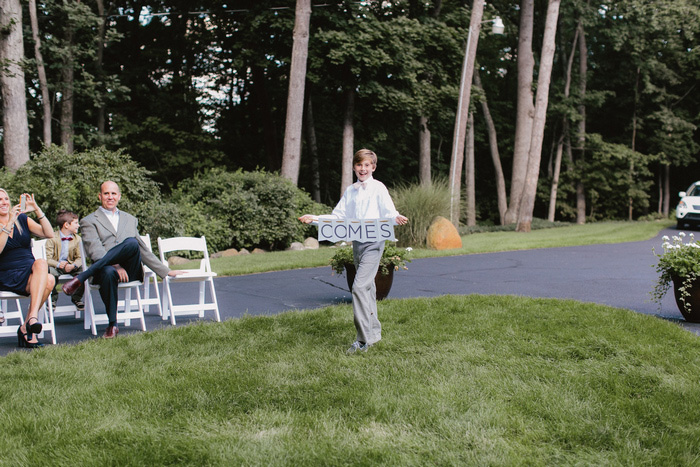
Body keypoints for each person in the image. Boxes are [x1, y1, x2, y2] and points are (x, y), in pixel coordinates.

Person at [299, 149, 408, 354]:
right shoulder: (351, 191)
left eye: (367, 165)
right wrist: (314, 218)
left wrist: (396, 218)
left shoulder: (379, 188)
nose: (363, 169)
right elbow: (338, 216)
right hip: (358, 244)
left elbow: (388, 211)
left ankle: (362, 339)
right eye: (359, 165)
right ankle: (374, 332)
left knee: (358, 288)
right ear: (354, 167)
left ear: (373, 167)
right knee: (368, 289)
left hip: (375, 243)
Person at [61, 181, 185, 338]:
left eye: (113, 193)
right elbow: (95, 250)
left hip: (130, 269)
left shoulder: (130, 219)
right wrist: (115, 266)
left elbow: (142, 249)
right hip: (104, 271)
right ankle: (112, 325)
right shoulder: (89, 221)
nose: (110, 197)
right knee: (107, 272)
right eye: (106, 193)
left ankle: (81, 278)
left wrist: (166, 271)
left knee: (132, 242)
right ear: (100, 196)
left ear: (119, 197)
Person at [0, 189, 56, 348]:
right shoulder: (11, 221)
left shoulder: (22, 219)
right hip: (6, 274)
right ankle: (27, 327)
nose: (4, 202)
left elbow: (49, 233)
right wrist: (9, 223)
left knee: (42, 265)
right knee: (49, 280)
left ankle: (30, 320)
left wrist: (37, 209)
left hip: (29, 270)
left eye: (6, 198)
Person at [46, 209, 85, 311]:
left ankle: (77, 298)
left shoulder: (77, 239)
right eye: (76, 223)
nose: (78, 225)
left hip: (71, 266)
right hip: (56, 266)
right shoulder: (52, 237)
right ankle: (52, 299)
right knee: (50, 273)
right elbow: (47, 258)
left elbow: (80, 258)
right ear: (66, 225)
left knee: (84, 273)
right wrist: (59, 264)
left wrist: (73, 266)